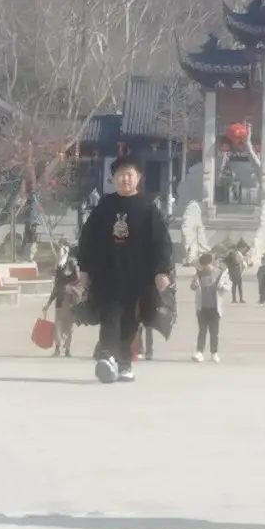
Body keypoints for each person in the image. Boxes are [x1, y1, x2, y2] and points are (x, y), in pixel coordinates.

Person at [76, 158, 173, 384]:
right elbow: (87, 239)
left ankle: (124, 362)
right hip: (107, 273)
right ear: (113, 179)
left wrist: (162, 271)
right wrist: (85, 269)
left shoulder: (148, 208)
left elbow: (161, 242)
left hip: (138, 276)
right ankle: (107, 356)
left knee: (131, 320)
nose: (125, 179)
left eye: (129, 174)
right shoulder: (104, 206)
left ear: (138, 178)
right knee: (110, 315)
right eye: (120, 175)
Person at [191, 251, 233, 363]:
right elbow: (192, 286)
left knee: (214, 333)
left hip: (215, 307)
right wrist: (194, 285)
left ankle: (214, 353)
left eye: (207, 266)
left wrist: (222, 288)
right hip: (202, 307)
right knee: (202, 331)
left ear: (212, 263)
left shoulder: (221, 274)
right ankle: (199, 352)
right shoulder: (199, 274)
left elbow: (229, 285)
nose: (205, 268)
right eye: (203, 266)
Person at [44, 242, 82, 357]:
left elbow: (78, 279)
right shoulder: (59, 266)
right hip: (60, 299)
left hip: (70, 299)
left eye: (61, 250)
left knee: (68, 325)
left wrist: (69, 287)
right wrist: (48, 304)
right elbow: (56, 287)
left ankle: (67, 349)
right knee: (58, 325)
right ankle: (57, 348)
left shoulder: (72, 263)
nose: (59, 253)